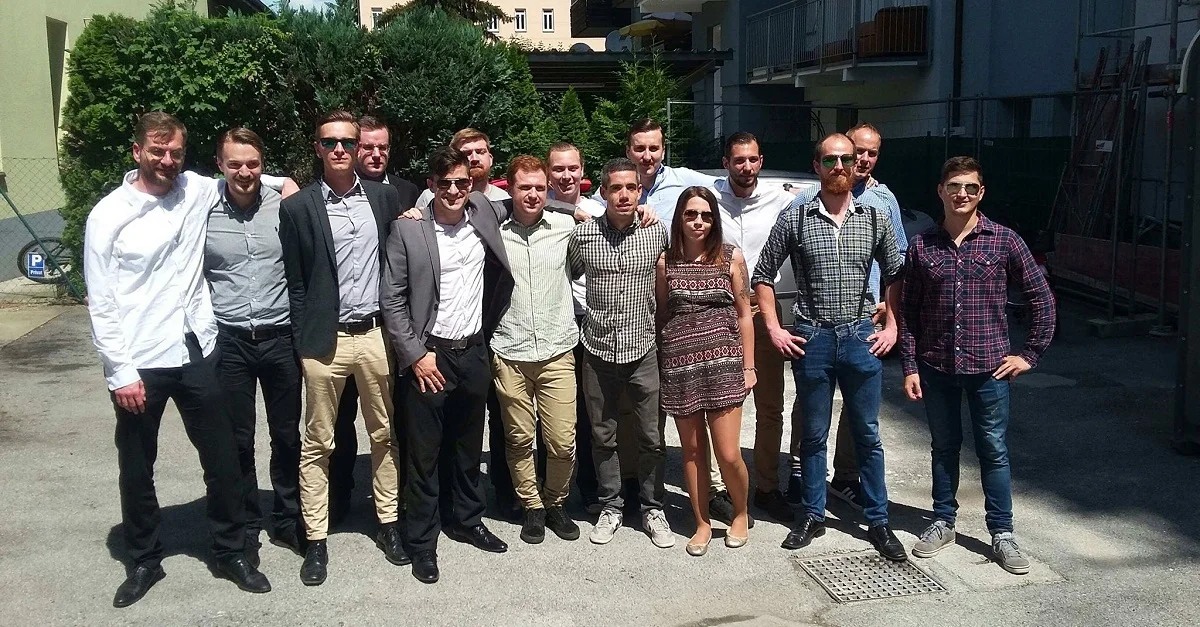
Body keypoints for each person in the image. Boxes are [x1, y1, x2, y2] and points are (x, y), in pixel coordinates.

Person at [85, 112, 271, 607]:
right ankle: (144, 558)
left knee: (224, 455)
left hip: (196, 349)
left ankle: (231, 550)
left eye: (175, 153)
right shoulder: (109, 215)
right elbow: (100, 301)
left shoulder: (194, 189)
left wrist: (287, 180)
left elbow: (242, 173)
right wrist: (119, 371)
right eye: (157, 151)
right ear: (137, 152)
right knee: (137, 464)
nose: (167, 161)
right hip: (139, 359)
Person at [752, 133, 907, 561]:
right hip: (813, 338)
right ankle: (812, 514)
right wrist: (775, 328)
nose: (839, 167)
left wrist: (893, 324)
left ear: (857, 164)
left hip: (860, 337)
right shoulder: (796, 216)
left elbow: (897, 274)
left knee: (867, 434)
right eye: (829, 160)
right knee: (814, 435)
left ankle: (878, 520)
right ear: (816, 165)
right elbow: (762, 276)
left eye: (846, 159)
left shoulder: (874, 216)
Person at [901, 157, 1055, 575]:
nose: (962, 194)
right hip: (936, 367)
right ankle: (942, 521)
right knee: (943, 447)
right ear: (941, 191)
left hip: (990, 368)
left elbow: (1041, 297)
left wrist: (1030, 354)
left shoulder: (1004, 241)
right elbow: (909, 314)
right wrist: (911, 366)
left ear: (980, 192)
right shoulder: (922, 246)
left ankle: (1002, 533)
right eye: (954, 186)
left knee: (993, 449)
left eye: (970, 187)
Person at [279, 110, 413, 586]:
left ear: (359, 148)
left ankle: (389, 524)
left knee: (384, 434)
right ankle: (316, 538)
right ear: (317, 147)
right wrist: (302, 341)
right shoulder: (297, 208)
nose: (340, 149)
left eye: (348, 142)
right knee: (318, 442)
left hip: (375, 336)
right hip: (324, 342)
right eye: (330, 142)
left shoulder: (383, 197)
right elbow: (293, 281)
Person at [381, 147, 513, 584]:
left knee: (467, 446)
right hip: (430, 356)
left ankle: (467, 519)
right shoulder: (409, 231)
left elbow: (537, 198)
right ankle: (422, 541)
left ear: (471, 183)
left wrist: (589, 210)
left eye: (461, 182)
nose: (454, 191)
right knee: (423, 453)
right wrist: (415, 355)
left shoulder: (484, 213)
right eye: (444, 184)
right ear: (431, 187)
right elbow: (392, 299)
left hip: (473, 351)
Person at [609, 118, 735, 525]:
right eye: (639, 148)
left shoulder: (686, 181)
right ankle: (649, 493)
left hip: (691, 300)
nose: (647, 156)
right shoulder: (616, 188)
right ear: (629, 150)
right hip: (648, 317)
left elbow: (725, 193)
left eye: (654, 148)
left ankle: (712, 491)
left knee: (707, 422)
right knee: (651, 420)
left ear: (664, 149)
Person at [786, 122, 909, 510]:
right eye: (859, 151)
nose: (863, 160)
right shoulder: (807, 200)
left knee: (861, 420)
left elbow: (897, 262)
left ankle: (846, 477)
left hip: (864, 320)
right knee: (810, 411)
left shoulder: (883, 203)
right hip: (818, 323)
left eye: (871, 153)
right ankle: (801, 476)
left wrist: (891, 314)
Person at [204, 127, 305, 565]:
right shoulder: (202, 208)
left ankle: (287, 519)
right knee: (237, 440)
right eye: (235, 164)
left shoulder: (284, 203)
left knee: (287, 436)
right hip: (231, 341)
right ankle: (247, 526)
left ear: (263, 165)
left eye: (254, 164)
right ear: (220, 167)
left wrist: (281, 182)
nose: (245, 172)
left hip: (281, 337)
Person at [570, 157, 673, 549]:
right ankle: (610, 505)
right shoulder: (584, 237)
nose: (625, 195)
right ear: (604, 191)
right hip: (597, 350)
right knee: (603, 434)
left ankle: (652, 507)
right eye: (616, 188)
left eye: (632, 188)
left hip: (643, 348)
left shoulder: (655, 233)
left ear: (640, 191)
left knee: (650, 435)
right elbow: (567, 273)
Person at [327, 114, 420, 527]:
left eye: (383, 146)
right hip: (337, 331)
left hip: (387, 328)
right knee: (339, 423)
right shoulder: (326, 194)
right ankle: (339, 497)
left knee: (390, 420)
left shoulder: (404, 193)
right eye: (367, 146)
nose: (376, 153)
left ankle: (397, 499)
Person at [656, 186, 755, 556]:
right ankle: (701, 523)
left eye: (706, 215)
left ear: (714, 220)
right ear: (679, 218)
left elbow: (745, 315)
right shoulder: (666, 262)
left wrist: (749, 366)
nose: (699, 222)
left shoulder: (730, 258)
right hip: (681, 367)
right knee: (693, 452)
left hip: (725, 366)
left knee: (728, 453)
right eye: (691, 214)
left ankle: (741, 513)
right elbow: (664, 312)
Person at [490, 155, 583, 545]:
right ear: (509, 189)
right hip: (509, 350)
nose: (532, 194)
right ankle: (531, 506)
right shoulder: (492, 230)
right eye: (524, 187)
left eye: (539, 188)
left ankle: (555, 501)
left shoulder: (568, 227)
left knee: (562, 440)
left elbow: (582, 266)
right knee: (518, 439)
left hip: (557, 349)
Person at [712, 131, 797, 524]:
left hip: (765, 312)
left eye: (752, 159)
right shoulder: (709, 199)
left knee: (769, 404)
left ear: (760, 161)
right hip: (718, 311)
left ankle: (766, 485)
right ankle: (720, 488)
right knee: (718, 403)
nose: (746, 167)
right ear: (726, 162)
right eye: (738, 160)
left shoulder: (784, 200)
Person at [547, 142, 604, 513]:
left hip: (593, 321)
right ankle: (549, 491)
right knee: (552, 419)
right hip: (554, 322)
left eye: (572, 169)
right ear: (548, 172)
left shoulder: (600, 211)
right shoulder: (533, 210)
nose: (566, 176)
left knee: (590, 415)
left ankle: (591, 490)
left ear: (583, 172)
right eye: (558, 169)